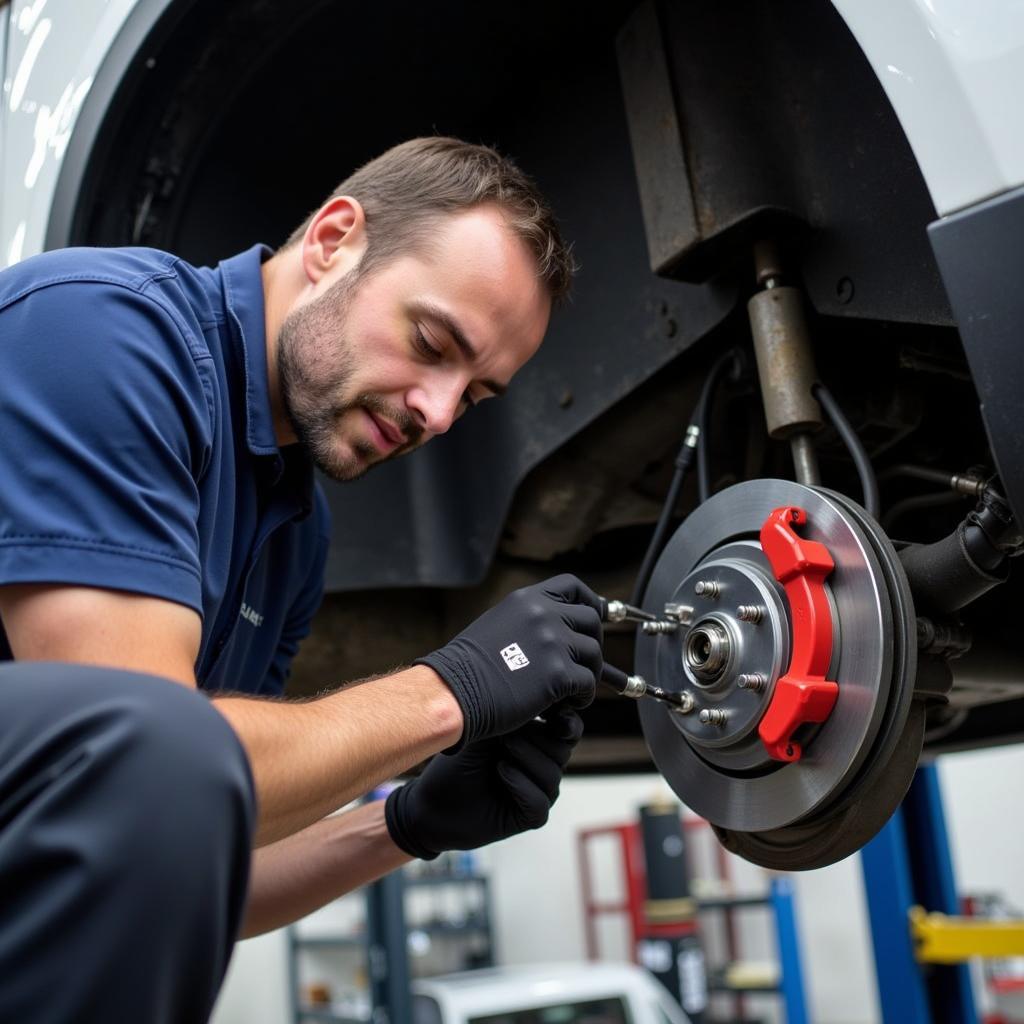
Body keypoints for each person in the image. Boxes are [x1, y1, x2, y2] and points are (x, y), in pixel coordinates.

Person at [0, 137, 605, 1022]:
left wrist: (404, 825)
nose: (437, 412)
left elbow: (190, 850)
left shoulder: (295, 532)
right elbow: (135, 763)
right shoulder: (102, 328)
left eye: (474, 397)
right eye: (432, 343)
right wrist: (453, 691)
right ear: (333, 241)